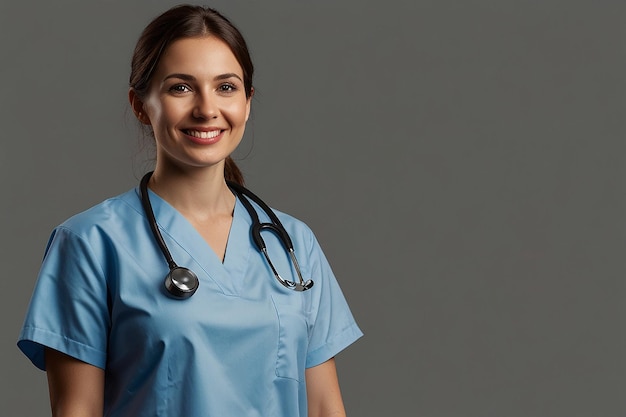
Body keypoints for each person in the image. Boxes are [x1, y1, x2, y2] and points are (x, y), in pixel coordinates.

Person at [17, 5, 362, 416]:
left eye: (226, 87)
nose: (206, 109)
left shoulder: (292, 244)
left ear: (248, 102)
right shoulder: (90, 243)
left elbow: (325, 407)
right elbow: (78, 409)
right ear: (140, 104)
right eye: (181, 88)